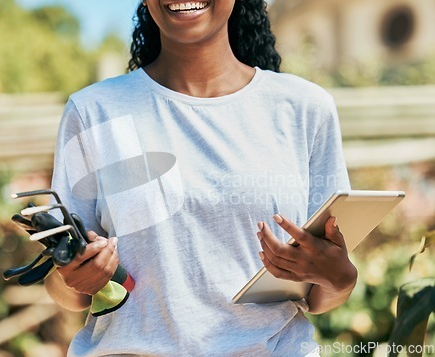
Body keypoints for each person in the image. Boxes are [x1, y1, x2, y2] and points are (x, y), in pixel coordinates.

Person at [45, 0, 358, 355]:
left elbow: (319, 296)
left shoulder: (305, 109)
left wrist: (341, 277)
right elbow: (64, 288)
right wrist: (73, 279)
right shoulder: (93, 112)